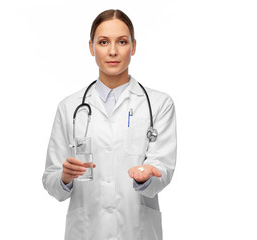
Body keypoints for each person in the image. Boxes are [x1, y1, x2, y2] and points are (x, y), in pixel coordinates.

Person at [42, 9, 177, 240]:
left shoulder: (158, 104)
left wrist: (145, 176)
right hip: (86, 231)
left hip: (137, 231)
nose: (113, 51)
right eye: (103, 42)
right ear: (91, 47)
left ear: (133, 46)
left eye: (122, 42)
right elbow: (51, 180)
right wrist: (64, 177)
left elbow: (161, 170)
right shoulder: (69, 107)